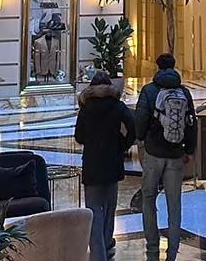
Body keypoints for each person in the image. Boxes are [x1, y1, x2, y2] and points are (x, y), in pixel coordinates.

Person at [134, 52, 198, 261]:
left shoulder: (149, 90)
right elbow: (191, 122)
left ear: (158, 67)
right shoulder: (184, 91)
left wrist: (140, 138)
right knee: (174, 203)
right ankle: (172, 251)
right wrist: (189, 150)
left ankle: (152, 247)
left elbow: (141, 117)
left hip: (153, 152)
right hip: (176, 153)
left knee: (148, 198)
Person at [75, 69, 137, 261]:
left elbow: (79, 136)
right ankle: (108, 243)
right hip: (112, 163)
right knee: (110, 208)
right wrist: (122, 144)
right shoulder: (118, 106)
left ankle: (98, 254)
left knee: (94, 211)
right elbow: (133, 128)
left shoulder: (86, 108)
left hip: (92, 164)